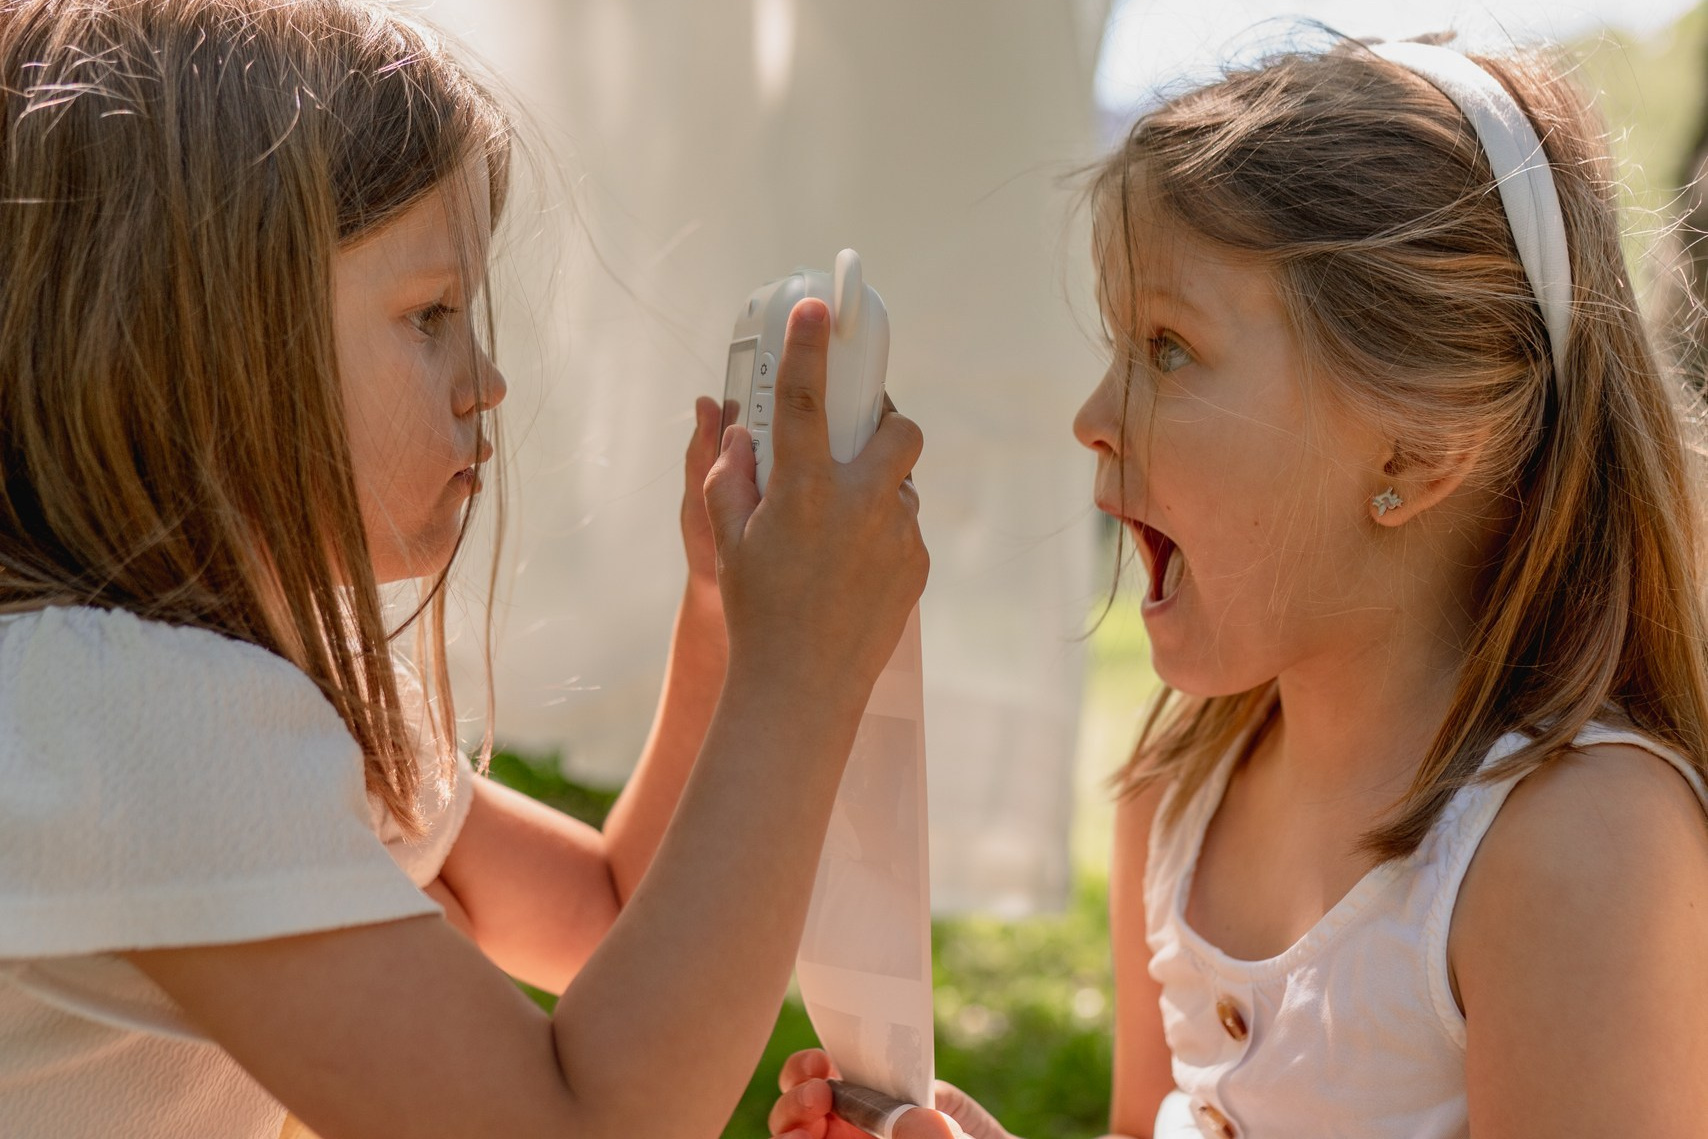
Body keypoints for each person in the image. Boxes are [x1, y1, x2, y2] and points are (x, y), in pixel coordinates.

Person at [0, 2, 927, 1137]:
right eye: (431, 312)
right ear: (188, 340)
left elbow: (605, 914)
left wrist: (726, 620)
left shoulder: (212, 693)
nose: (484, 376)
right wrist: (800, 671)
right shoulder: (120, 711)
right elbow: (578, 1121)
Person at [771, 33, 1708, 1139]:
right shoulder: (1173, 797)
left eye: (1166, 347)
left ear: (1411, 449)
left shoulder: (1574, 846)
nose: (1093, 418)